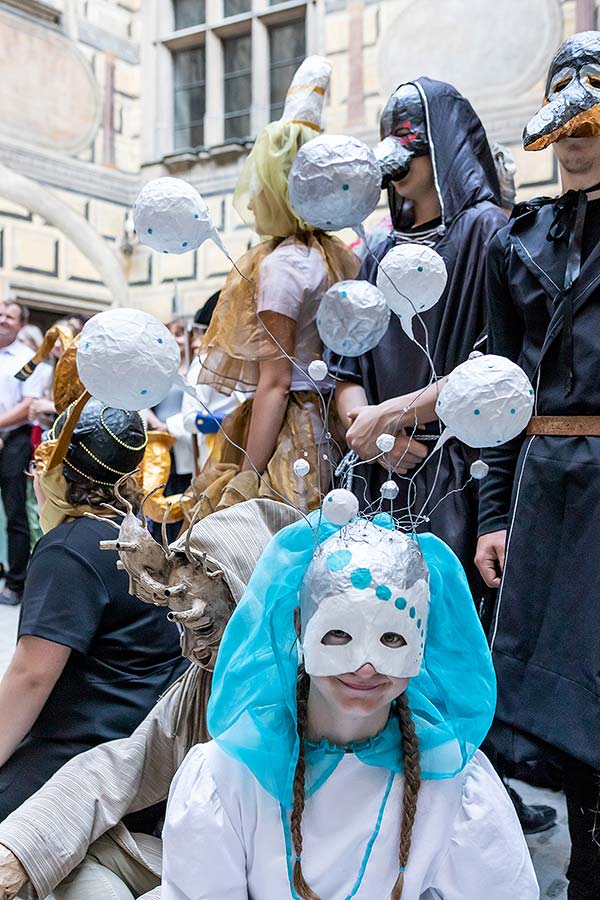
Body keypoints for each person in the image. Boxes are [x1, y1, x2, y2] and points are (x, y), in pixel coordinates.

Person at [162, 513, 538, 899]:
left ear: (422, 643)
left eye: (392, 637)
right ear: (299, 626)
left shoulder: (451, 778)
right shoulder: (230, 776)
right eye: (339, 633)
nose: (365, 666)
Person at [0, 499, 301, 900]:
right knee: (63, 846)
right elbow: (127, 762)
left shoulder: (316, 689)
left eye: (205, 626)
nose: (189, 651)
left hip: (283, 878)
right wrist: (20, 849)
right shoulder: (205, 681)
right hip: (204, 860)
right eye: (183, 627)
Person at [475, 31, 600, 900]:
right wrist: (491, 511)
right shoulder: (520, 242)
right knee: (553, 701)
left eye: (593, 108)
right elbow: (496, 388)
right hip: (543, 489)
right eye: (567, 111)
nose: (580, 128)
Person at [332, 79, 506, 597]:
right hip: (377, 470)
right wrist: (367, 431)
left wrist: (391, 419)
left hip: (458, 473)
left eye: (411, 142)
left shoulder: (486, 231)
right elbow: (347, 364)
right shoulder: (379, 247)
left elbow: (497, 364)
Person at [0, 397, 189, 822]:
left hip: (89, 758)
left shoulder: (69, 548)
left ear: (53, 468)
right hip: (140, 750)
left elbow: (31, 677)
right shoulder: (132, 532)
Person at [188, 55, 358, 517]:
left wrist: (246, 474)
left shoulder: (282, 265)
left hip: (293, 432)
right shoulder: (336, 254)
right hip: (335, 423)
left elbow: (275, 384)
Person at [0, 302, 44, 606]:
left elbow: (28, 404)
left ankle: (16, 583)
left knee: (14, 512)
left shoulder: (29, 360)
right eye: (0, 314)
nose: (2, 319)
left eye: (9, 316)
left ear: (21, 324)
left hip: (13, 439)